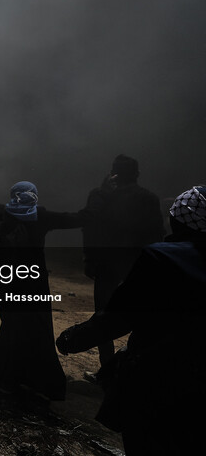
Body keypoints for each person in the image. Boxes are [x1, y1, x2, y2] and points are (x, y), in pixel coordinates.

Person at [57, 186, 205, 456]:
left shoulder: (161, 258)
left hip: (160, 374)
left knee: (149, 445)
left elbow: (120, 316)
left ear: (177, 220)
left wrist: (73, 339)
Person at [0, 172, 89, 401]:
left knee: (11, 326)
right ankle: (15, 380)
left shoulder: (3, 212)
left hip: (6, 282)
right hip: (34, 284)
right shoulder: (41, 216)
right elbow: (77, 218)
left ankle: (4, 373)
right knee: (33, 330)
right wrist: (102, 195)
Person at [82, 155, 165, 374]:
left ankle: (107, 370)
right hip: (138, 265)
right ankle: (135, 368)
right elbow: (157, 234)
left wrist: (89, 259)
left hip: (107, 264)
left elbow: (90, 229)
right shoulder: (149, 198)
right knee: (141, 315)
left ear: (113, 174)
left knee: (103, 316)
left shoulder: (102, 196)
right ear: (137, 174)